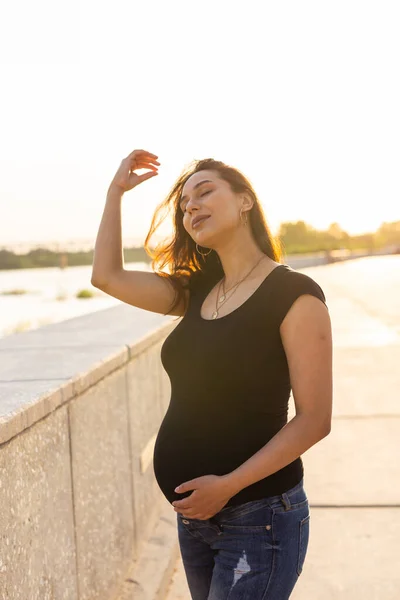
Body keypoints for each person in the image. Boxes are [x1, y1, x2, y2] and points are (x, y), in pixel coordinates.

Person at [91, 148, 333, 599]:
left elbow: (315, 419)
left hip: (259, 517)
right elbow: (106, 277)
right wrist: (114, 194)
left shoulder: (296, 295)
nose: (191, 207)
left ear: (245, 201)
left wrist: (228, 486)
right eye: (184, 205)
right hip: (196, 519)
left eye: (205, 193)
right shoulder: (198, 288)